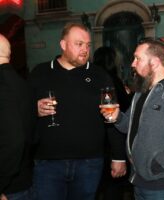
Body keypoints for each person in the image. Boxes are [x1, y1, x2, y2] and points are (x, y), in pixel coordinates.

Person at [28, 23, 126, 200]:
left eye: (88, 45)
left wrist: (119, 157)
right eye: (79, 44)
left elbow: (112, 116)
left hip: (89, 163)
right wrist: (33, 109)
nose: (85, 49)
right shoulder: (40, 72)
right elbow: (21, 113)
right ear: (63, 45)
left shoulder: (100, 75)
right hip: (47, 163)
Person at [100, 37, 164, 200]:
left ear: (155, 62)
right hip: (139, 180)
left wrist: (155, 165)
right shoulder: (141, 90)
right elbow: (128, 127)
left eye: (138, 58)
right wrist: (117, 117)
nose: (132, 63)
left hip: (162, 183)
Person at [93, 46, 133, 200]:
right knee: (113, 187)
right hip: (113, 140)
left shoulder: (93, 77)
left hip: (97, 141)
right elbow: (121, 112)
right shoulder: (111, 81)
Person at [0, 34, 36, 199]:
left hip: (9, 187)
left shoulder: (3, 84)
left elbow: (14, 141)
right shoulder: (21, 83)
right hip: (22, 178)